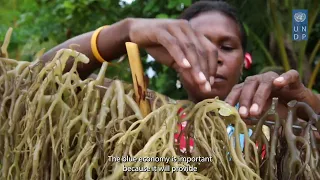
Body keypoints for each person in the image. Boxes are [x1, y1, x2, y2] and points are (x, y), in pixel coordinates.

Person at [41, 0, 320, 121]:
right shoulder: (142, 113)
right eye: (195, 44)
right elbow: (39, 80)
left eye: (226, 46)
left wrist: (306, 101)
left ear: (245, 60)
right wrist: (122, 32)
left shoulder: (280, 120)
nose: (212, 56)